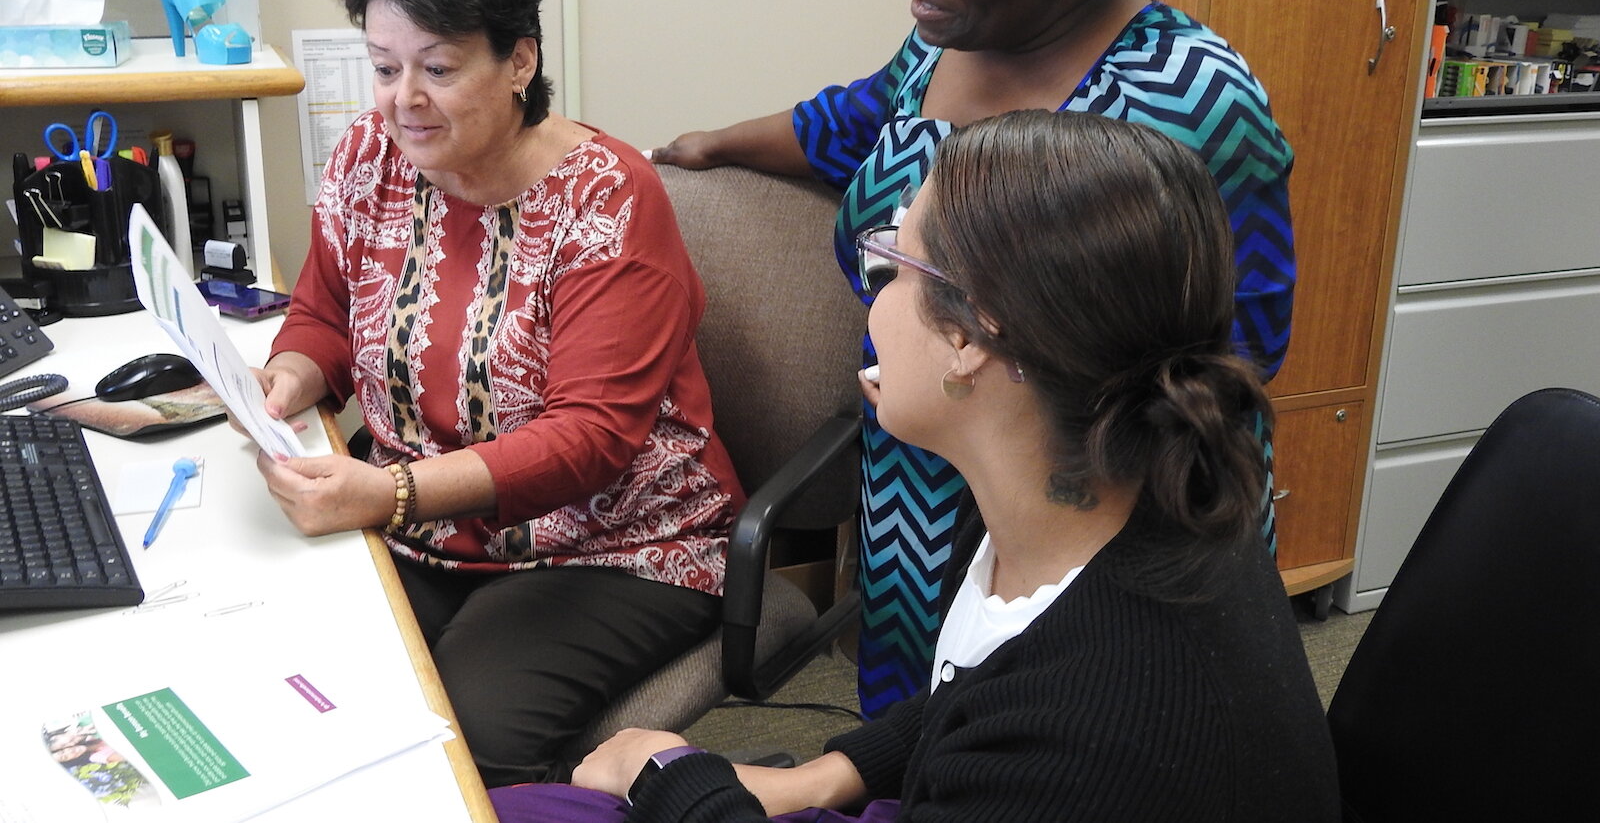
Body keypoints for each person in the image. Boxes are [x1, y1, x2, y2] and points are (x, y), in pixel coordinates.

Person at [647, 0, 1295, 717]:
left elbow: (1244, 343)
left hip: (1093, 513)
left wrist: (1051, 469)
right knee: (917, 737)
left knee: (1064, 746)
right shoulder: (949, 31)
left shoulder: (1191, 102)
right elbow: (860, 117)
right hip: (915, 479)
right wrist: (714, 143)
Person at [490, 111, 1338, 822]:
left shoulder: (1088, 736)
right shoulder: (1108, 490)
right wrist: (828, 774)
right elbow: (977, 694)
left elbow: (1023, 731)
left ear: (971, 338)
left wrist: (666, 773)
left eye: (894, 264)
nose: (875, 295)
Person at [249, 0, 745, 786]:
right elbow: (324, 312)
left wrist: (388, 492)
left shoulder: (605, 201)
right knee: (302, 683)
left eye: (437, 68)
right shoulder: (370, 156)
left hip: (613, 544)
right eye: (384, 66)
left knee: (463, 747)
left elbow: (589, 440)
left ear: (521, 61)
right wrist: (284, 381)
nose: (405, 102)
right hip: (422, 523)